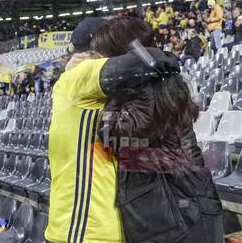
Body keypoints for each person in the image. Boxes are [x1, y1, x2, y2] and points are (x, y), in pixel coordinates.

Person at [45, 17, 180, 243]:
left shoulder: (86, 89)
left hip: (93, 227)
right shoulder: (79, 75)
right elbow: (148, 62)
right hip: (85, 231)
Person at [91, 17, 224, 243]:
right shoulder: (150, 83)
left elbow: (109, 135)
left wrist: (111, 92)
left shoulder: (150, 89)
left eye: (102, 58)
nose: (98, 66)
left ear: (121, 58)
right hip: (170, 209)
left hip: (179, 211)